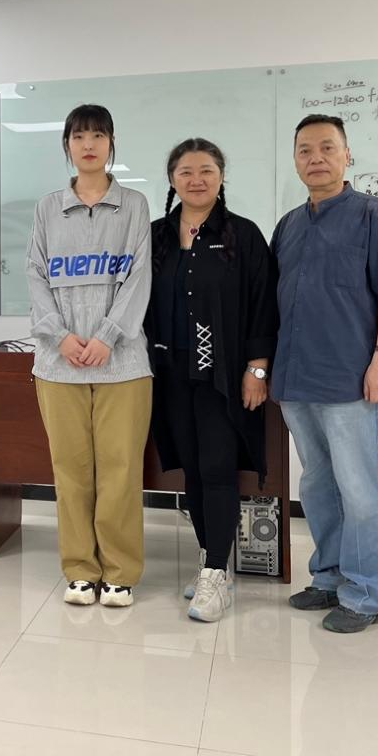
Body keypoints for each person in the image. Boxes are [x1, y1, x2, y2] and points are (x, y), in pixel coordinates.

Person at [271, 114, 378, 633]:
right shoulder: (289, 225)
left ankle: (366, 592)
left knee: (359, 489)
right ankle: (329, 575)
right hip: (296, 378)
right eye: (305, 150)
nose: (316, 158)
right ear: (295, 159)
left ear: (346, 155)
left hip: (350, 379)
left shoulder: (374, 215)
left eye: (327, 148)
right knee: (317, 484)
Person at [145, 138, 277, 622]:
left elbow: (264, 305)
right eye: (185, 171)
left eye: (206, 170)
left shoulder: (243, 235)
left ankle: (217, 574)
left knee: (219, 468)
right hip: (170, 374)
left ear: (221, 177)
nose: (196, 180)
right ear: (172, 179)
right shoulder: (156, 235)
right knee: (193, 472)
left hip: (222, 375)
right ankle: (211, 562)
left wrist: (257, 369)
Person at [26, 104, 153, 608]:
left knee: (121, 471)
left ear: (111, 143)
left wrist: (107, 336)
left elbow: (139, 275)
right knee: (71, 471)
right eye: (79, 136)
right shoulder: (47, 208)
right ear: (67, 146)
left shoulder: (134, 205)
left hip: (123, 364)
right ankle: (79, 569)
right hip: (58, 365)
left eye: (98, 135)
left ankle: (120, 571)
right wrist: (60, 337)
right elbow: (35, 275)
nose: (89, 144)